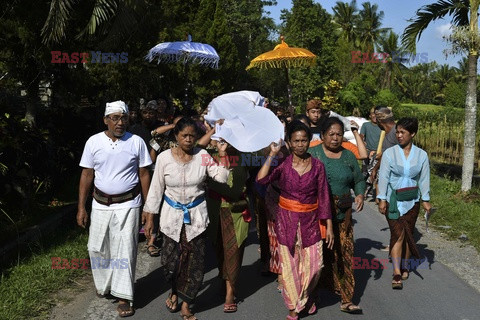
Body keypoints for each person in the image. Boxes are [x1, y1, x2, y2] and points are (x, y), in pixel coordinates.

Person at [142, 118, 230, 320]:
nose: (189, 140)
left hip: (196, 217)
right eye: (184, 136)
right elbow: (156, 189)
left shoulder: (204, 156)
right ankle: (174, 290)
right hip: (171, 217)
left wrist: (223, 154)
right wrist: (149, 219)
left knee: (195, 262)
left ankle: (186, 304)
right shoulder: (164, 158)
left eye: (192, 136)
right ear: (176, 137)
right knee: (170, 262)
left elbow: (222, 177)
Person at [77, 100, 152, 317]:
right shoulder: (93, 142)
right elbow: (87, 174)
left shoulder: (136, 142)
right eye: (115, 118)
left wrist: (148, 207)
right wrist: (82, 207)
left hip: (128, 204)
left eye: (124, 118)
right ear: (105, 120)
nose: (120, 123)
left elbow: (144, 174)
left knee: (125, 249)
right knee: (96, 247)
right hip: (100, 203)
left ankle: (124, 297)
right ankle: (107, 285)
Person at [257, 120, 334, 320]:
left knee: (315, 266)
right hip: (286, 220)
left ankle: (304, 299)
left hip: (311, 220)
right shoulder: (283, 164)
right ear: (289, 143)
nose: (300, 144)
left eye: (304, 140)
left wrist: (330, 226)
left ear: (310, 141)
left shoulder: (318, 166)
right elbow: (261, 180)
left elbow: (324, 197)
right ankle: (294, 307)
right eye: (296, 141)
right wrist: (272, 154)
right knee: (290, 266)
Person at [309, 117, 365, 314]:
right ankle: (311, 295)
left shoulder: (348, 156)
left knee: (345, 254)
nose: (335, 138)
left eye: (339, 134)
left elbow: (358, 179)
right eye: (331, 134)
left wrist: (359, 194)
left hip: (343, 214)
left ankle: (347, 298)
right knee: (318, 255)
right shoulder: (312, 154)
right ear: (322, 135)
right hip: (318, 216)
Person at [376, 117, 431, 289]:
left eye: (402, 132)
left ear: (412, 134)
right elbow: (383, 177)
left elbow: (424, 178)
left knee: (408, 235)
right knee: (397, 234)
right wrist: (382, 198)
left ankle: (406, 264)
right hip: (393, 200)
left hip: (412, 200)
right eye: (397, 132)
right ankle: (397, 272)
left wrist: (426, 200)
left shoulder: (421, 155)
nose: (398, 135)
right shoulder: (389, 153)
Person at [204, 144, 250, 313]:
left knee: (234, 249)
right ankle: (223, 277)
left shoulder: (245, 156)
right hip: (216, 209)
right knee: (219, 249)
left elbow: (264, 164)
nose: (226, 141)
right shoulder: (208, 156)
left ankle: (230, 293)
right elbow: (195, 145)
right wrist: (220, 151)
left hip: (237, 210)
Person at [129, 100, 165, 257]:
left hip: (155, 171)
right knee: (139, 204)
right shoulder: (134, 130)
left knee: (154, 204)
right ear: (141, 113)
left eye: (152, 112)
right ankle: (136, 233)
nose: (149, 115)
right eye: (145, 112)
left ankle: (151, 239)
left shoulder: (162, 128)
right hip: (136, 172)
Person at [360, 107, 382, 196]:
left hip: (378, 153)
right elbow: (361, 136)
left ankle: (370, 191)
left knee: (374, 172)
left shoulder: (382, 127)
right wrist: (363, 144)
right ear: (370, 115)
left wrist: (377, 152)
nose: (375, 116)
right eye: (373, 114)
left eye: (377, 114)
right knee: (364, 172)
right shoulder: (366, 125)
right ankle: (363, 190)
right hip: (367, 151)